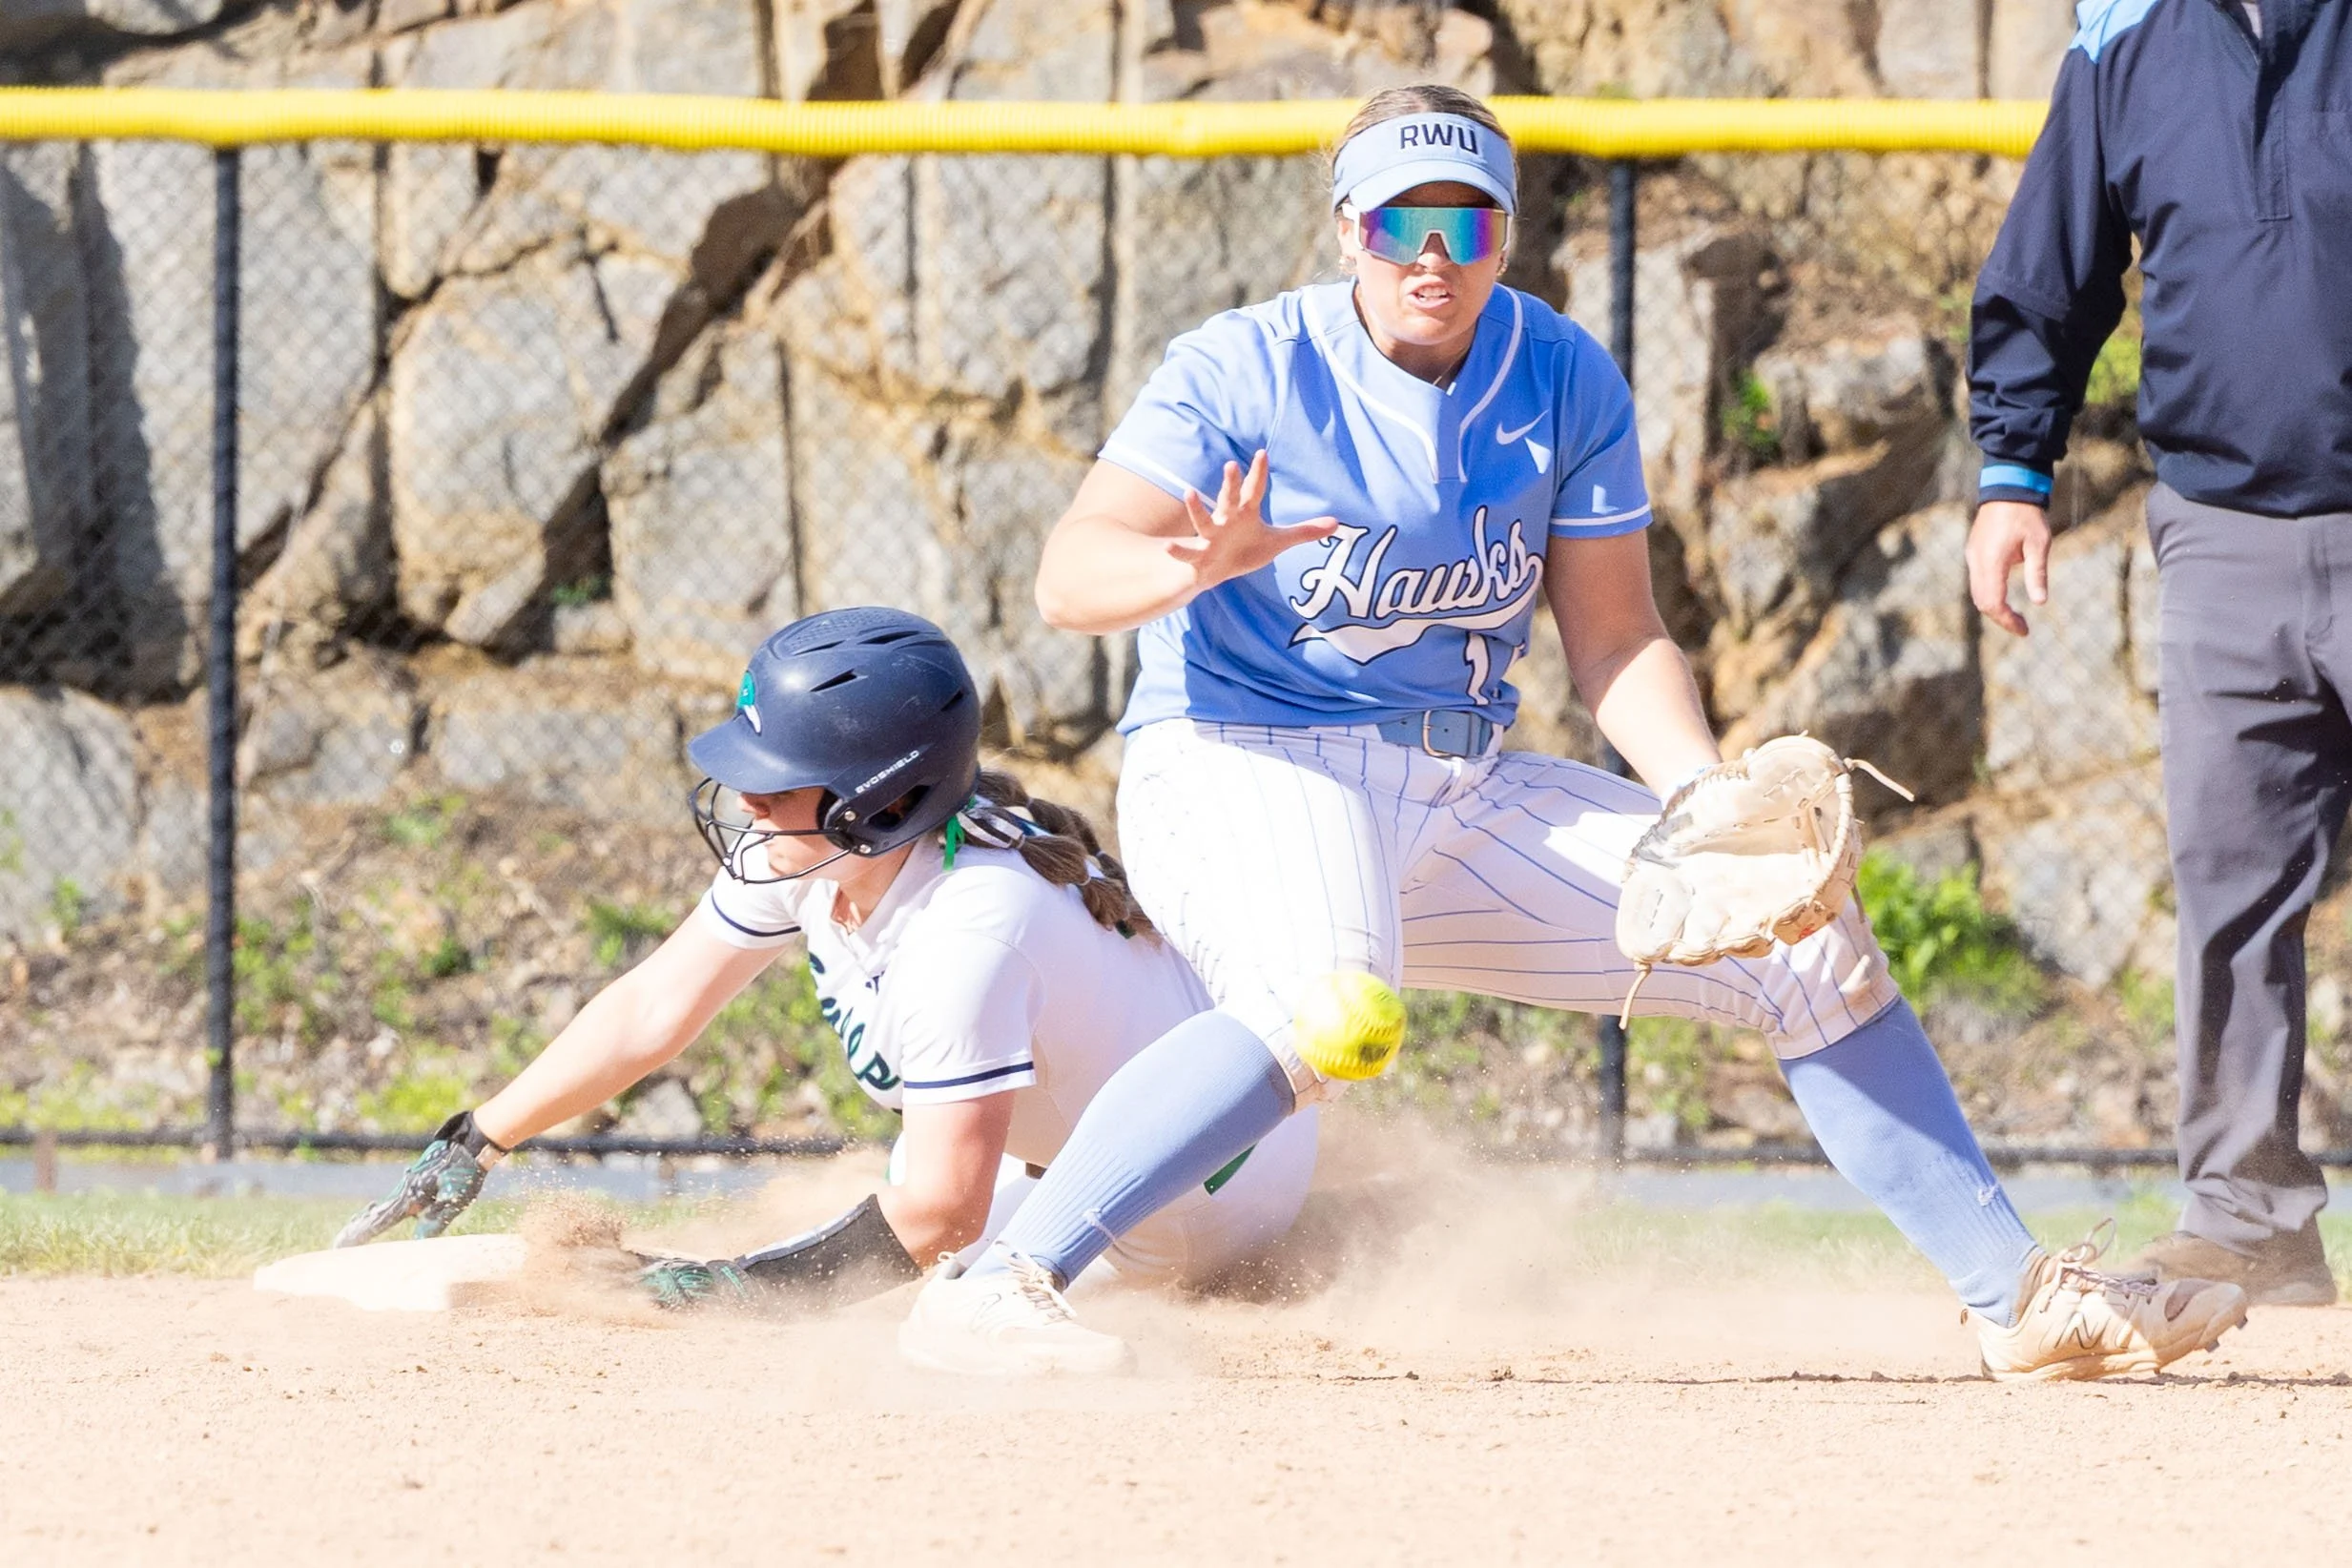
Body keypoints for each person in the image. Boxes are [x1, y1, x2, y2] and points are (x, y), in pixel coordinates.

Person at [893, 82, 2250, 1381]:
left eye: (1466, 224)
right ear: (1345, 229)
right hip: (1244, 758)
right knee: (1323, 1001)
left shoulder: (1556, 372)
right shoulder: (1242, 366)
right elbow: (1068, 577)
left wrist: (1702, 797)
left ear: (1506, 233)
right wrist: (1186, 565)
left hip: (1456, 784)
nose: (1432, 256)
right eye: (1396, 224)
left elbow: (1614, 639)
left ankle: (2015, 1305)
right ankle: (1001, 1288)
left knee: (1802, 938)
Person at [334, 608, 1314, 1354]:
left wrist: (723, 1288)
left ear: (881, 799)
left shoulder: (969, 930)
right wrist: (482, 1135)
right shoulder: (817, 853)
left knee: (921, 1314)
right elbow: (653, 1008)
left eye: (778, 776)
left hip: (1201, 1191)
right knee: (865, 1240)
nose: (749, 798)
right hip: (1066, 1147)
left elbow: (939, 1217)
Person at [1967, 0, 2352, 1306]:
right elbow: (2050, 264)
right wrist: (2013, 473)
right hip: (2221, 528)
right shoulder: (2126, 32)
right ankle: (2248, 1224)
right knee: (2229, 896)